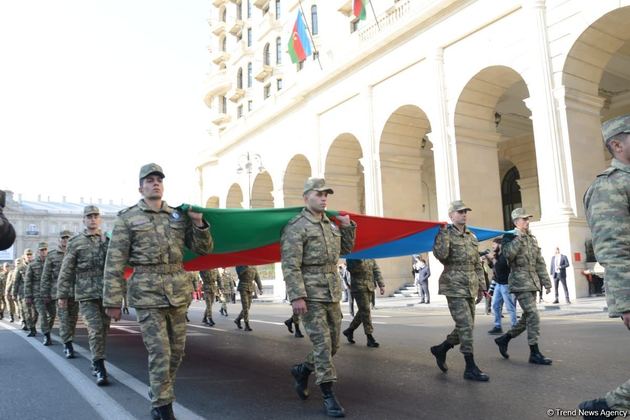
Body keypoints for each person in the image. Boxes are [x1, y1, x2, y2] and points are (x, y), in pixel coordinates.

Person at [102, 163, 213, 420]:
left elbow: (203, 249)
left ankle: (162, 395)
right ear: (140, 187)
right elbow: (114, 262)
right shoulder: (127, 219)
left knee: (176, 352)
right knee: (160, 352)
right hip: (147, 293)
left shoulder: (177, 216)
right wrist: (113, 300)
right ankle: (162, 406)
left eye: (158, 180)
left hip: (177, 291)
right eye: (149, 180)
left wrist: (200, 225)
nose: (155, 183)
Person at [281, 177, 356, 418]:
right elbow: (290, 264)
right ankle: (328, 394)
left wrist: (347, 227)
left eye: (326, 195)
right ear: (306, 198)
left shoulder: (330, 225)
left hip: (331, 291)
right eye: (319, 194)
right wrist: (297, 296)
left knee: (334, 344)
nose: (324, 198)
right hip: (310, 294)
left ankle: (303, 370)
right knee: (323, 345)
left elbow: (345, 250)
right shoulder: (296, 226)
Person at [580, 114, 630, 417]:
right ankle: (609, 406)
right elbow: (614, 248)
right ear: (617, 144)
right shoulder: (610, 186)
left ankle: (610, 406)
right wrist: (626, 301)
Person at [429, 200, 489, 382]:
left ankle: (441, 349)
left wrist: (482, 286)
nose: (464, 214)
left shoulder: (472, 237)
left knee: (467, 327)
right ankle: (470, 367)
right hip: (453, 285)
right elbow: (441, 255)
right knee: (465, 326)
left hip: (470, 285)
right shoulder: (445, 233)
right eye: (460, 211)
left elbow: (476, 263)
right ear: (451, 215)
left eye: (465, 211)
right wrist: (444, 235)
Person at [57, 205, 111, 385]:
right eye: (89, 216)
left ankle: (98, 358)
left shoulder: (107, 240)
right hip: (85, 294)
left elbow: (115, 267)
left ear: (100, 219)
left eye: (96, 216)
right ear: (84, 220)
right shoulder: (76, 242)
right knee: (95, 329)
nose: (93, 219)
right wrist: (63, 295)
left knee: (103, 329)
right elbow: (66, 270)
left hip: (105, 293)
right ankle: (99, 364)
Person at [494, 208, 553, 366]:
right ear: (516, 222)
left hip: (532, 281)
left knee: (527, 317)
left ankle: (504, 339)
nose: (527, 222)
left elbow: (539, 261)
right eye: (524, 219)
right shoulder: (509, 236)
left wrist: (546, 281)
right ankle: (534, 352)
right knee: (533, 315)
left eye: (528, 219)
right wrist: (518, 238)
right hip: (519, 282)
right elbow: (508, 255)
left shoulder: (532, 238)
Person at [41, 229, 74, 357]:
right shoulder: (52, 255)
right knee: (64, 319)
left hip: (75, 292)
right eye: (63, 237)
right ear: (59, 240)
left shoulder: (75, 253)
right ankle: (67, 344)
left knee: (72, 319)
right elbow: (46, 276)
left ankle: (69, 339)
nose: (65, 240)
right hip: (58, 293)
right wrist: (45, 293)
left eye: (68, 238)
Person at [343, 259, 385, 348]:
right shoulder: (353, 256)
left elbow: (376, 270)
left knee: (363, 311)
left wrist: (381, 285)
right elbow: (352, 270)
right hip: (359, 287)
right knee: (366, 311)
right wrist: (359, 260)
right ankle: (369, 337)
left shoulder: (370, 256)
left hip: (369, 287)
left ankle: (349, 330)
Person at [487, 238, 517, 335]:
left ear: (500, 245)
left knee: (510, 307)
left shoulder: (504, 255)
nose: (492, 246)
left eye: (494, 244)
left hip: (506, 284)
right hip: (498, 284)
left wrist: (493, 259)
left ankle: (514, 327)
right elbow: (493, 267)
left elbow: (502, 267)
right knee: (495, 305)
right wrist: (489, 259)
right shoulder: (497, 255)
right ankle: (497, 326)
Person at [24, 241, 51, 345]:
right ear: (38, 251)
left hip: (50, 293)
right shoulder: (33, 265)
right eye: (41, 250)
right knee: (43, 314)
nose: (43, 252)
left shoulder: (51, 262)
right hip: (37, 294)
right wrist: (28, 296)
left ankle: (47, 329)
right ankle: (47, 335)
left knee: (52, 315)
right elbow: (28, 281)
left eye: (45, 249)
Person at [12, 249, 35, 334]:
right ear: (24, 256)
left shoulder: (35, 265)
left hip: (34, 292)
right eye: (27, 255)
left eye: (30, 254)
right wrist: (14, 293)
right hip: (23, 293)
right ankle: (30, 326)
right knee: (26, 311)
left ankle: (32, 324)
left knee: (35, 312)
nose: (29, 256)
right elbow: (16, 282)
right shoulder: (20, 267)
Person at [234, 265, 263, 331]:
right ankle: (246, 324)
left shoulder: (254, 266)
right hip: (243, 287)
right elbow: (239, 274)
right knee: (245, 306)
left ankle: (238, 319)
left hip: (250, 287)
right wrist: (246, 266)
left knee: (248, 307)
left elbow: (257, 277)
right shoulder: (240, 265)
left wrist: (260, 288)